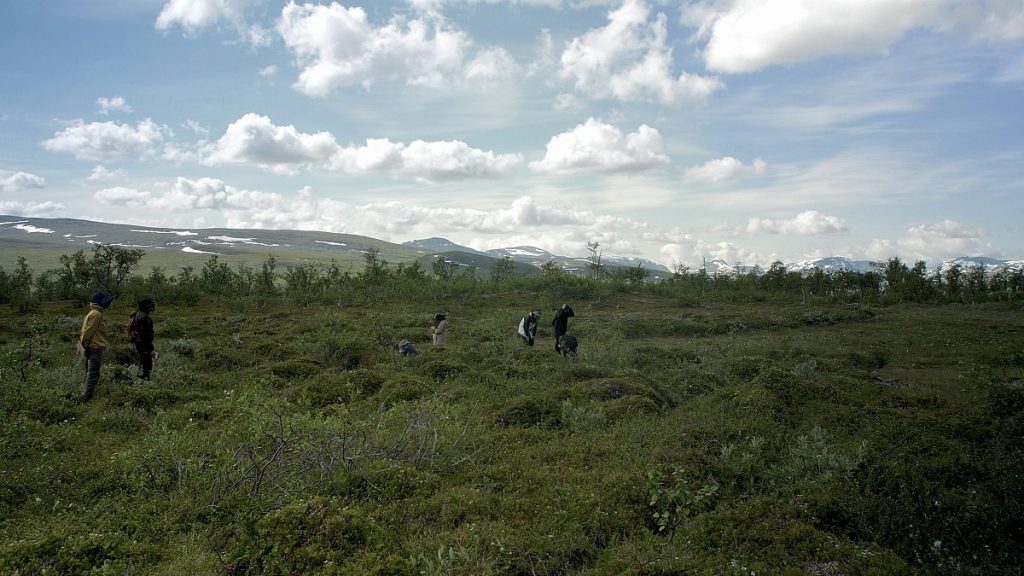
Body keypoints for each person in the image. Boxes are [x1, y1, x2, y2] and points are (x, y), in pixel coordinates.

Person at [79, 291, 114, 402]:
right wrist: (84, 344)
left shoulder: (93, 312)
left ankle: (86, 393)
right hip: (95, 347)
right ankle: (87, 397)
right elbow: (88, 331)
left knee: (90, 372)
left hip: (92, 346)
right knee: (93, 372)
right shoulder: (96, 314)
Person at [127, 298, 156, 380]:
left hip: (139, 342)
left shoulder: (138, 314)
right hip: (143, 343)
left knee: (142, 360)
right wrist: (149, 345)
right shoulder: (143, 317)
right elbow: (145, 333)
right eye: (150, 305)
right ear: (145, 306)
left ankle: (141, 376)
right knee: (146, 361)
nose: (152, 307)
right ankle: (144, 378)